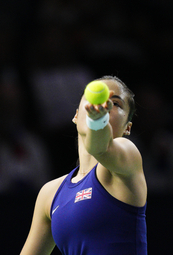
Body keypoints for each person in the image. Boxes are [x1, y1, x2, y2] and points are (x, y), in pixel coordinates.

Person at [20, 76, 147, 255]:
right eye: (94, 99)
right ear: (76, 115)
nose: (102, 106)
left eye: (115, 104)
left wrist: (98, 121)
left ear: (127, 127)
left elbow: (100, 148)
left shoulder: (128, 158)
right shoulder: (49, 194)